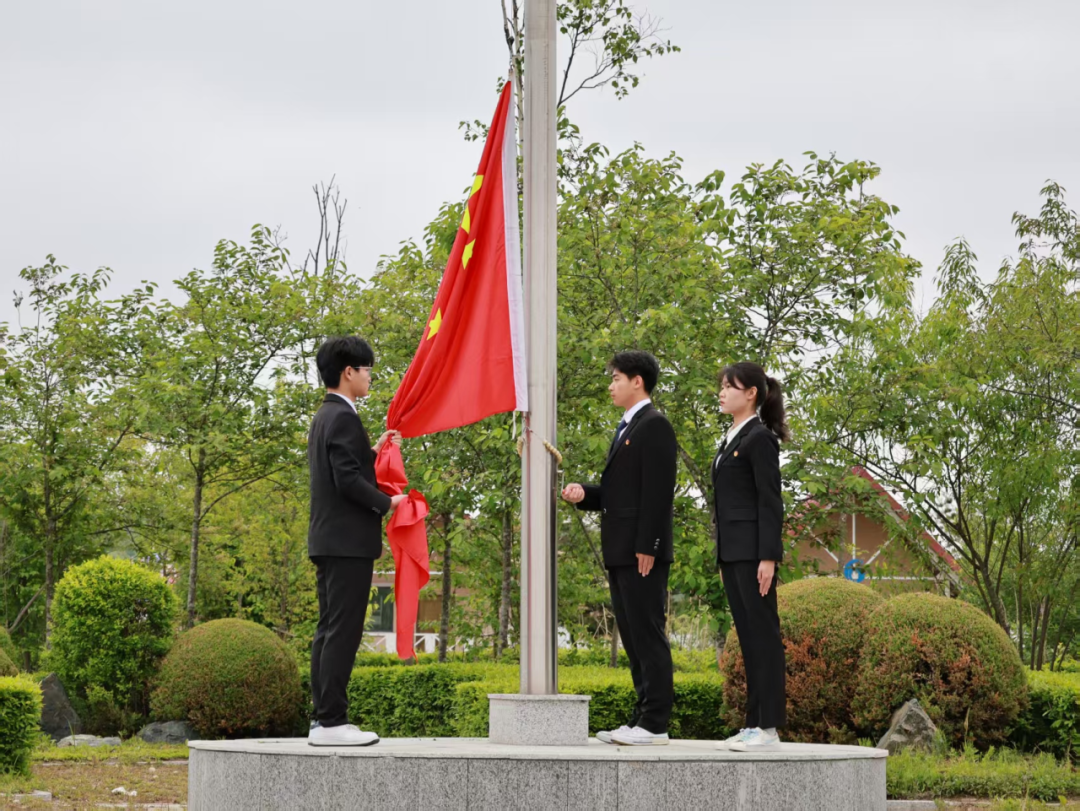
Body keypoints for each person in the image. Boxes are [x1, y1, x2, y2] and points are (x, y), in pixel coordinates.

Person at [561, 350, 678, 746]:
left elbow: (658, 493)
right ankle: (642, 716)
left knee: (647, 633)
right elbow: (621, 493)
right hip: (621, 550)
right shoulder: (627, 427)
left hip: (640, 552)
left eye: (615, 378)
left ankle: (655, 722)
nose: (610, 385)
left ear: (637, 382)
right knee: (632, 636)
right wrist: (584, 494)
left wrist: (649, 545)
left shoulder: (654, 425)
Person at [307, 336, 403, 746]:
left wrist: (372, 451)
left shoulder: (325, 416)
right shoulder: (344, 417)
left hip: (329, 539)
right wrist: (388, 502)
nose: (369, 377)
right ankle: (332, 722)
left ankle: (322, 719)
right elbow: (346, 480)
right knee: (342, 632)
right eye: (367, 370)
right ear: (348, 372)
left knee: (329, 629)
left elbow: (344, 468)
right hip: (347, 542)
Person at [711, 361, 789, 751]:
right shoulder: (731, 438)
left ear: (751, 393)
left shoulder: (759, 439)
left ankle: (768, 727)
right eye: (722, 386)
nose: (722, 392)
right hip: (733, 554)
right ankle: (753, 723)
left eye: (730, 386)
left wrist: (768, 557)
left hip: (755, 555)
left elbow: (769, 501)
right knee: (748, 639)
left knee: (763, 638)